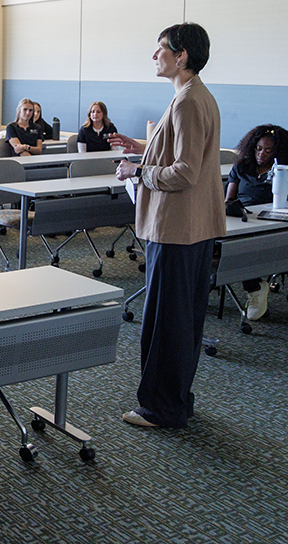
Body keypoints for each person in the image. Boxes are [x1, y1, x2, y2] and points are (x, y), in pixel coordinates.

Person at [112, 22, 224, 429]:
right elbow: (179, 148)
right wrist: (141, 147)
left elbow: (185, 170)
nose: (154, 55)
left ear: (182, 56)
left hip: (176, 227)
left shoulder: (187, 102)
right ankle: (177, 400)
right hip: (193, 228)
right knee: (183, 319)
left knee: (165, 322)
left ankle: (160, 408)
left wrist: (137, 171)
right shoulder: (195, 96)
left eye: (161, 48)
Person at [225, 124, 288, 320]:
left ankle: (254, 286)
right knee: (236, 243)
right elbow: (229, 200)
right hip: (243, 219)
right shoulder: (241, 167)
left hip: (271, 221)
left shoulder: (283, 171)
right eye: (259, 149)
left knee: (252, 245)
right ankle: (255, 286)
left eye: (268, 151)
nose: (262, 154)